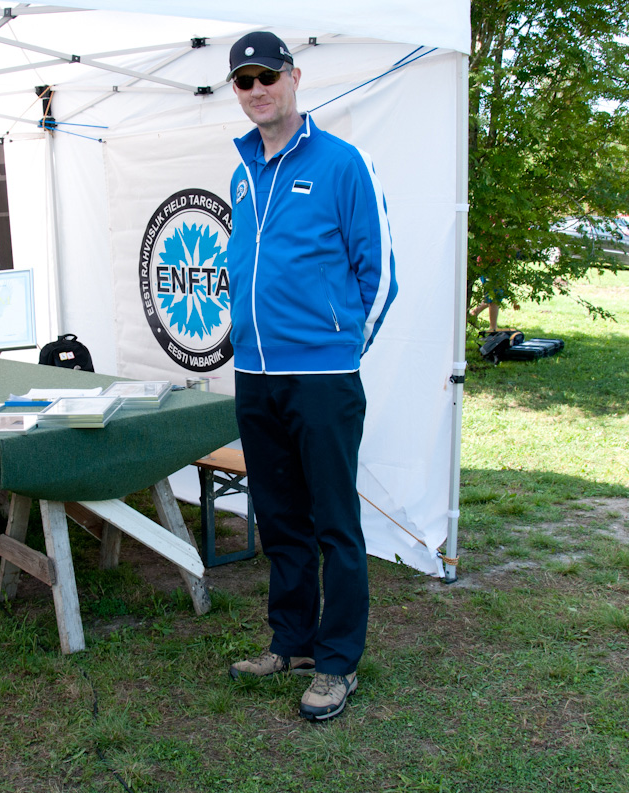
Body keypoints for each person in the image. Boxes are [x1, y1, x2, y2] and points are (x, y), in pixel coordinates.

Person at [222, 32, 398, 722]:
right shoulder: (241, 172)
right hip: (254, 374)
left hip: (321, 377)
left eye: (268, 75)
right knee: (281, 519)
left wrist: (342, 349)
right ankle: (290, 641)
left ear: (295, 77)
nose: (258, 88)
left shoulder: (342, 163)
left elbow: (377, 271)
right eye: (244, 80)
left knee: (335, 523)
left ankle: (337, 661)